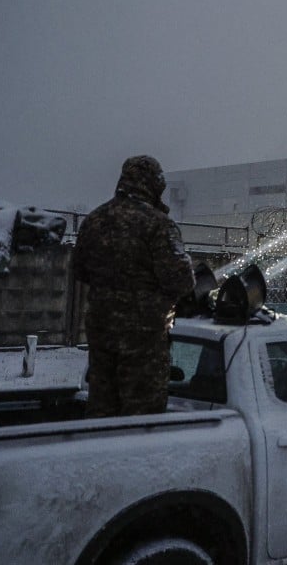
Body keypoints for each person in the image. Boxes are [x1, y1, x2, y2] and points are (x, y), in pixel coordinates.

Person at [72, 155, 196, 417]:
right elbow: (181, 280)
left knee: (102, 406)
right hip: (144, 336)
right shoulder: (158, 224)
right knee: (142, 414)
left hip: (100, 330)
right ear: (153, 184)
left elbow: (79, 271)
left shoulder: (94, 220)